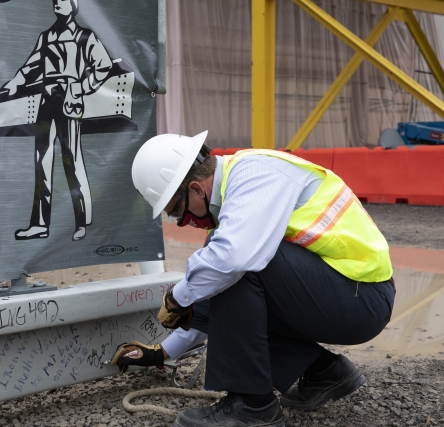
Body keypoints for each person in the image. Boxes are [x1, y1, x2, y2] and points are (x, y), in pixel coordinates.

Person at [111, 131, 395, 427]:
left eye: (179, 213)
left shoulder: (254, 175)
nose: (185, 223)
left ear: (196, 189)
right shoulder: (235, 205)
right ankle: (322, 371)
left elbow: (234, 262)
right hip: (343, 294)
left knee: (234, 269)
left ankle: (252, 406)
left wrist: (177, 297)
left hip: (362, 297)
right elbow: (214, 306)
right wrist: (160, 353)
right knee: (219, 274)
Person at [5, 0, 113, 241]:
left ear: (74, 5)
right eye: (55, 0)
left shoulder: (85, 36)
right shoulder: (46, 37)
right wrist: (15, 82)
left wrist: (81, 87)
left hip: (69, 101)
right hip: (47, 101)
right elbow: (31, 65)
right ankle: (39, 225)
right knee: (41, 162)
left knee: (72, 161)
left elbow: (103, 66)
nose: (57, 3)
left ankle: (82, 222)